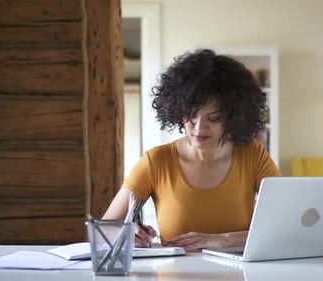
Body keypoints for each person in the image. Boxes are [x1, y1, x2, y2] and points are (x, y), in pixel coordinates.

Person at [102, 49, 281, 252]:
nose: (198, 129)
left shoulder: (254, 156)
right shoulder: (156, 161)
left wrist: (222, 240)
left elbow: (285, 226)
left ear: (233, 117)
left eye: (213, 118)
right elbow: (103, 231)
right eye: (191, 116)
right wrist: (126, 234)